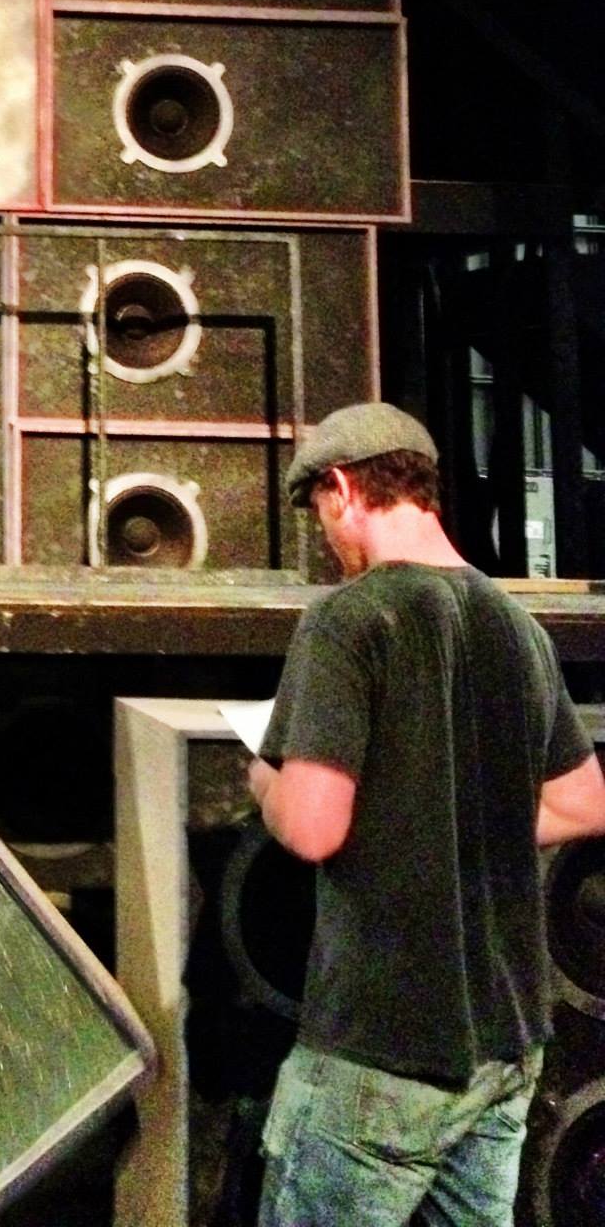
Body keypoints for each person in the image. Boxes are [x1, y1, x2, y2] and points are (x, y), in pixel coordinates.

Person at [248, 401, 605, 1227]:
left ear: (342, 488)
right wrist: (445, 817)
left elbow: (313, 825)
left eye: (319, 512)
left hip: (383, 1047)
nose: (326, 539)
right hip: (507, 1044)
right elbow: (584, 800)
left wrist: (264, 782)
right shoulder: (515, 625)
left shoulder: (350, 619)